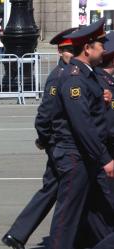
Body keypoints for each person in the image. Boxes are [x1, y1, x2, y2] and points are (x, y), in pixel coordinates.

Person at [2, 27, 77, 249]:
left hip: (61, 144)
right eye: (67, 50)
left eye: (74, 49)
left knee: (51, 189)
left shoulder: (73, 73)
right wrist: (45, 140)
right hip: (60, 144)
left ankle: (17, 234)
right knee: (64, 193)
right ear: (59, 52)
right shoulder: (59, 77)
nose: (71, 53)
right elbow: (45, 114)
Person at [48, 18, 114, 249]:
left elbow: (94, 114)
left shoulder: (89, 74)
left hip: (88, 155)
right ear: (87, 48)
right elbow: (82, 123)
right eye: (100, 45)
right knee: (67, 216)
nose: (104, 49)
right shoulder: (74, 77)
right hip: (76, 155)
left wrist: (105, 100)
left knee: (98, 210)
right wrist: (105, 158)